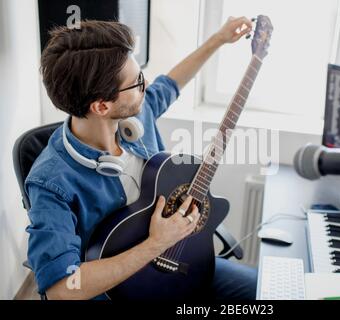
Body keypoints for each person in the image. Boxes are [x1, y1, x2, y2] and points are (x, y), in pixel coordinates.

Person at [25, 18, 257, 300]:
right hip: (120, 293)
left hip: (183, 264)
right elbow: (61, 288)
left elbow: (170, 84)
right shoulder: (50, 182)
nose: (145, 85)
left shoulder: (134, 114)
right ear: (101, 105)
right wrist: (156, 243)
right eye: (136, 83)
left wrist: (218, 39)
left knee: (267, 291)